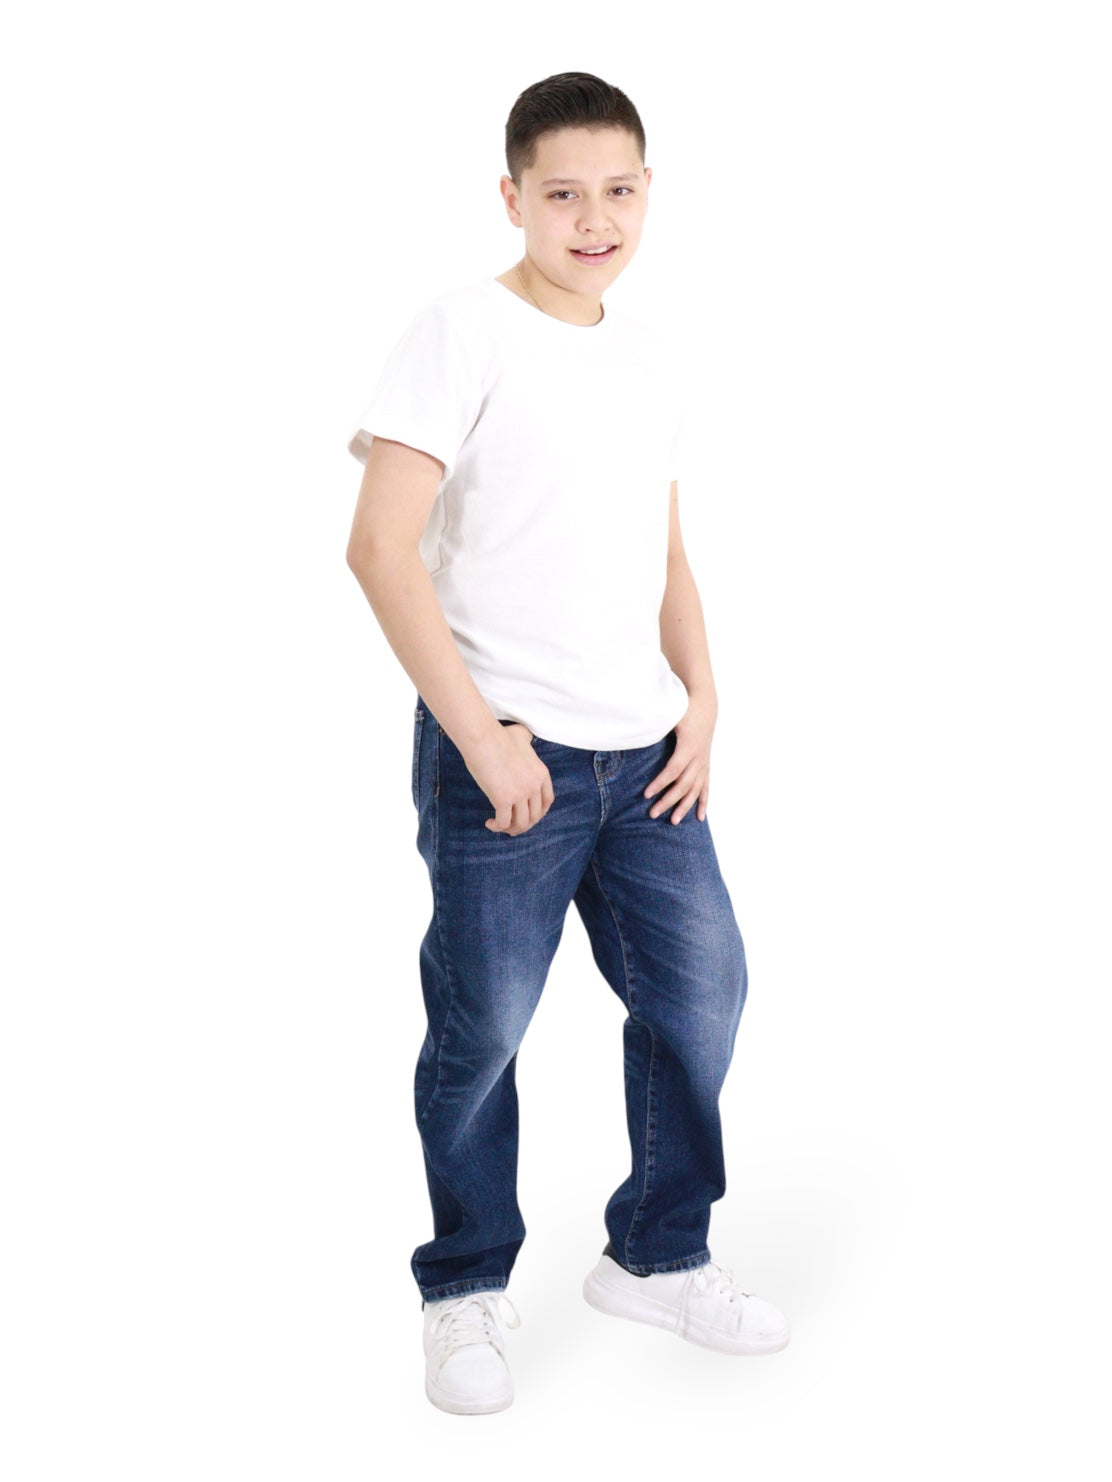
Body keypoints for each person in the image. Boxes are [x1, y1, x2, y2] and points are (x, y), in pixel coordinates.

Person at [345, 71, 789, 1416]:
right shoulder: (460, 331)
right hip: (510, 754)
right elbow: (379, 549)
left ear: (648, 194)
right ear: (512, 198)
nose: (594, 219)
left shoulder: (651, 357)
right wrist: (482, 742)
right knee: (482, 1028)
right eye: (563, 194)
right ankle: (464, 1284)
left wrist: (704, 695)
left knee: (702, 996)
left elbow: (663, 552)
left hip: (648, 757)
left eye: (619, 191)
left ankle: (657, 1252)